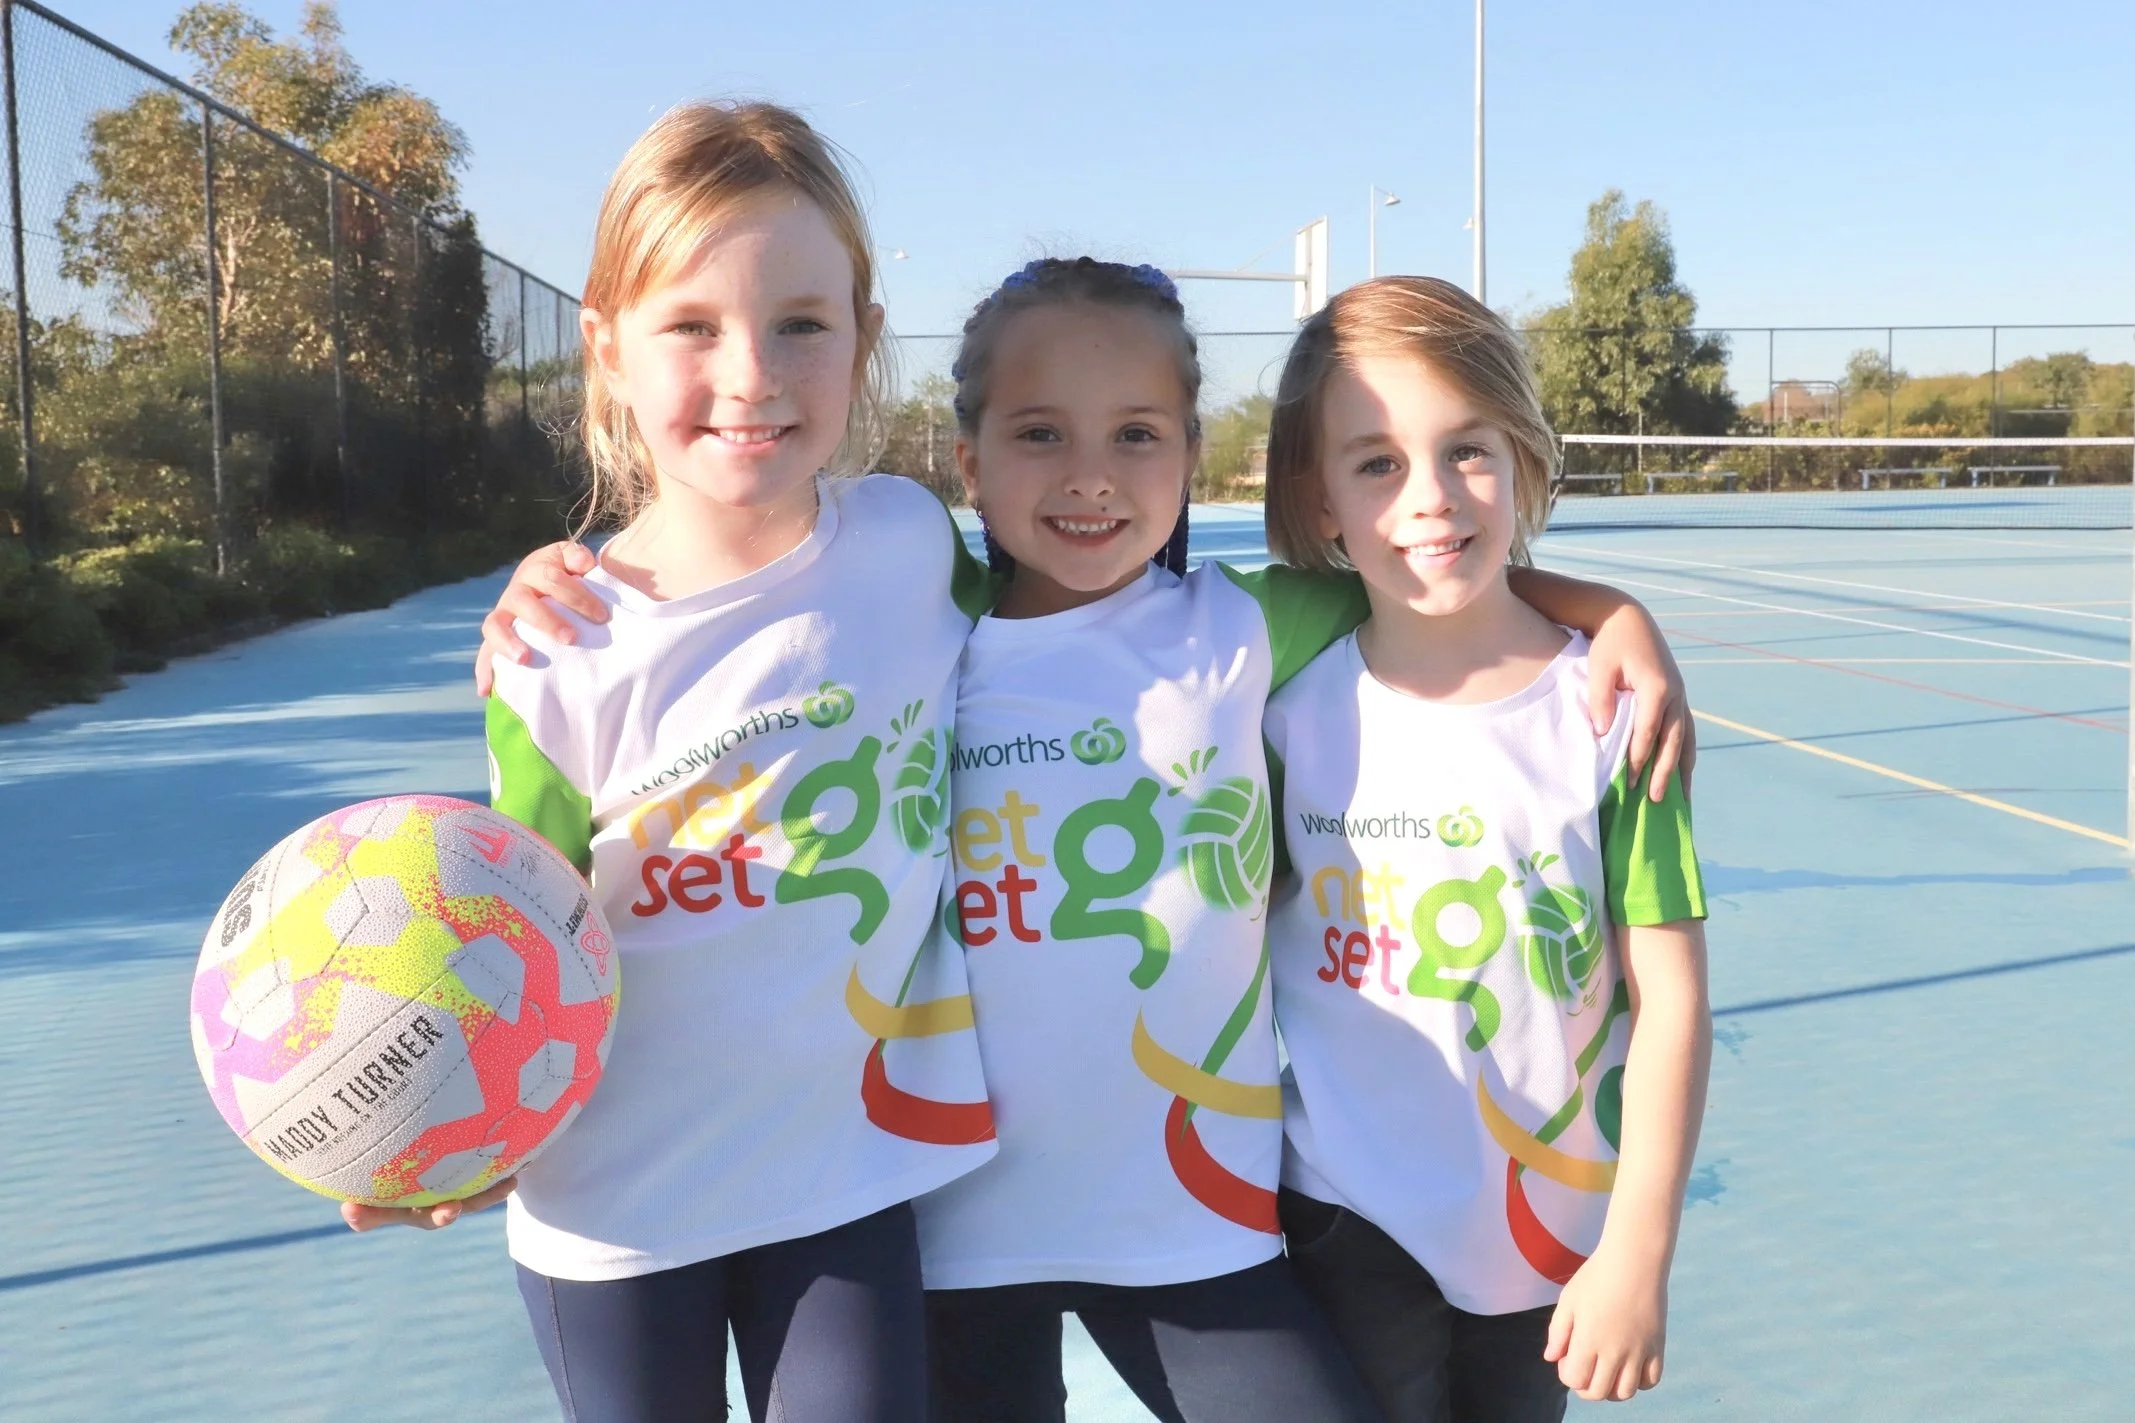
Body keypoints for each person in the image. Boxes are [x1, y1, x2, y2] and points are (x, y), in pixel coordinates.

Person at [477, 257, 1695, 1422]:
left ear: (1188, 452)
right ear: (968, 460)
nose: (1089, 477)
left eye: (1135, 435)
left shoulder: (1246, 628)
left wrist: (1613, 615)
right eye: (1039, 434)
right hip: (949, 1226)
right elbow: (747, 598)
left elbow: (1436, 592)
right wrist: (568, 587)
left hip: (1193, 1226)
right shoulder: (919, 619)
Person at [346, 100, 999, 1423]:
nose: (751, 374)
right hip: (616, 1211)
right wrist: (431, 1134)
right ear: (606, 347)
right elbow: (509, 925)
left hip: (848, 1175)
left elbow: (1087, 618)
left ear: (863, 336)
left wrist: (1472, 609)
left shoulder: (910, 543)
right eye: (692, 326)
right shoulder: (556, 648)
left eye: (800, 323)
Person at [1259, 276, 1712, 1421]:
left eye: (1465, 449)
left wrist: (1636, 1251)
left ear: (1520, 454)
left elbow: (1669, 999)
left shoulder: (1613, 715)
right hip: (1344, 1211)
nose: (1428, 496)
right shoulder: (1277, 678)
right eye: (1375, 463)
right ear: (1319, 501)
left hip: (1550, 1229)